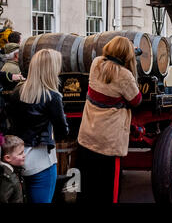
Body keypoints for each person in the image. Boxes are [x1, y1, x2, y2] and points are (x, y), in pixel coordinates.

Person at [77, 36, 142, 203]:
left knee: (86, 187)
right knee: (108, 191)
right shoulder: (125, 75)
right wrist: (132, 62)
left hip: (87, 136)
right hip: (108, 143)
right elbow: (136, 100)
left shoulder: (96, 63)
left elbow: (110, 68)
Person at [8, 49, 68, 203]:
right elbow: (62, 132)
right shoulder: (53, 97)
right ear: (51, 70)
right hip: (42, 160)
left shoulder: (17, 91)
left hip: (17, 158)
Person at [0, 134, 26, 203]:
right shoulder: (6, 178)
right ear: (8, 158)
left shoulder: (15, 170)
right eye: (20, 153)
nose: (24, 155)